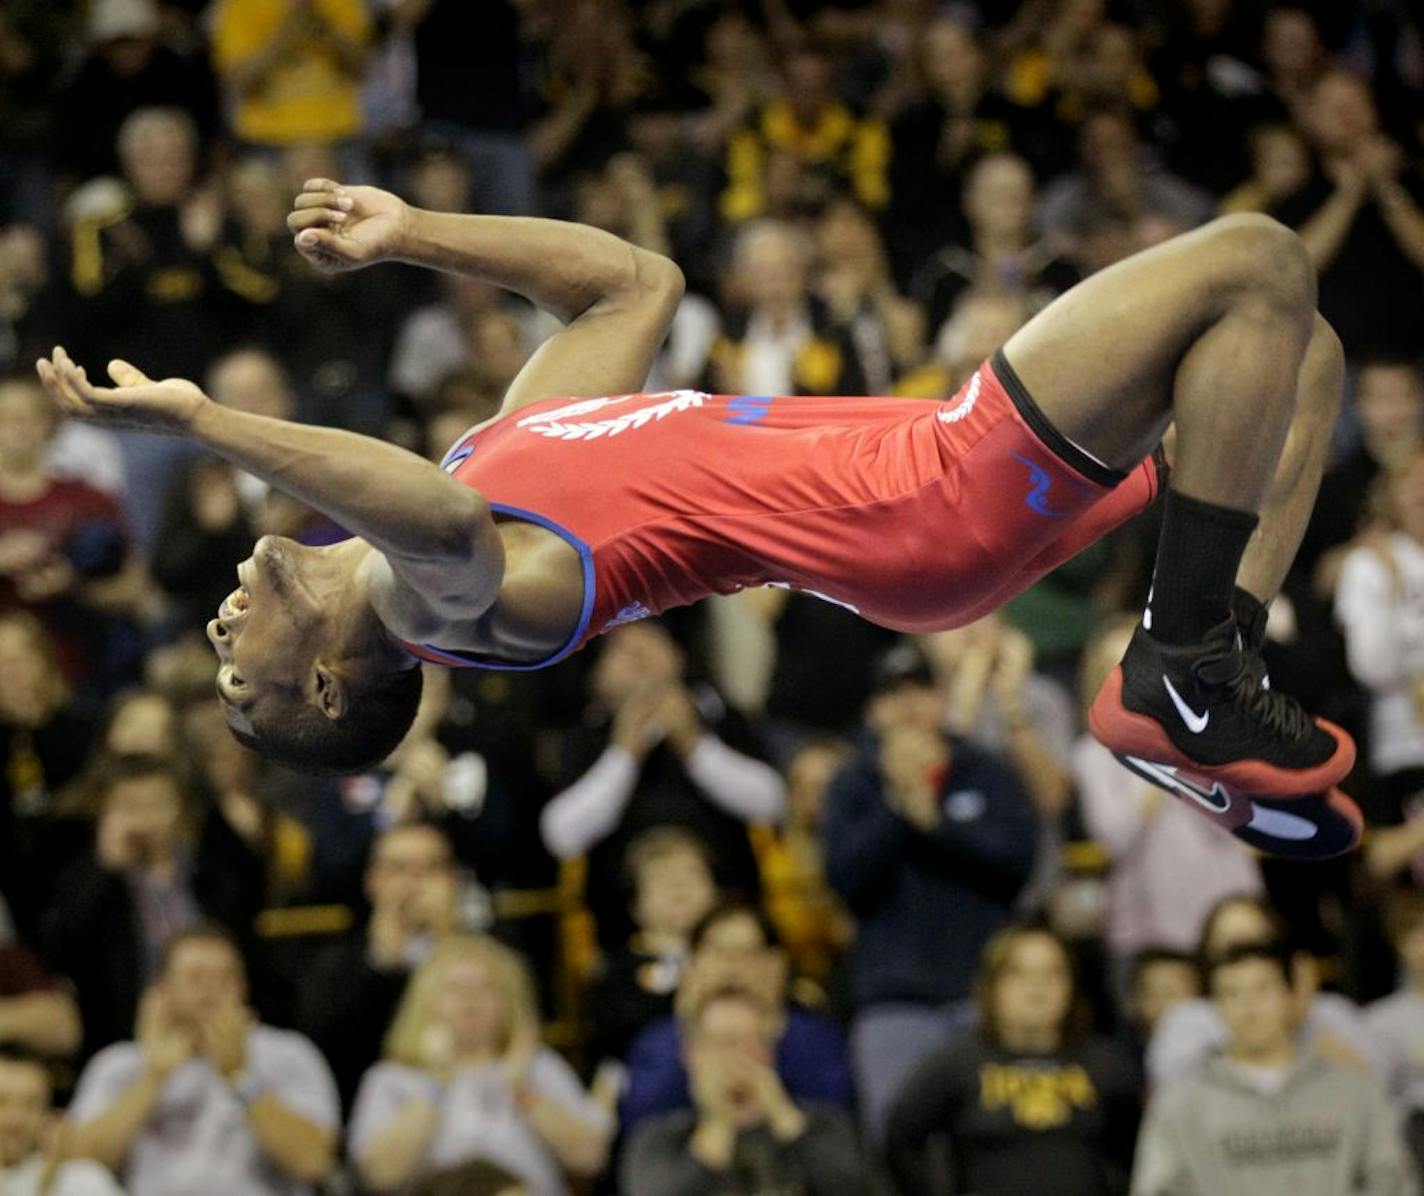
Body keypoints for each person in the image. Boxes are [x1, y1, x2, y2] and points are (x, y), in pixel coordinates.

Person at [35, 176, 1362, 861]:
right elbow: (430, 513)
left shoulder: (497, 448)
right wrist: (204, 423)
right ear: (326, 683)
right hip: (929, 497)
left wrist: (415, 231)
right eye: (238, 673)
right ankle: (1189, 658)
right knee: (1254, 260)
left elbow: (630, 286)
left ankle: (1177, 683)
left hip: (922, 487)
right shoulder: (447, 609)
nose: (216, 626)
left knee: (1295, 358)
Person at [822, 640, 1039, 1142]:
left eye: (921, 691)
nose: (909, 707)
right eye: (893, 695)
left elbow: (1017, 864)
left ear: (942, 699)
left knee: (1002, 1142)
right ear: (872, 710)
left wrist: (935, 825)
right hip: (895, 1004)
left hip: (982, 998)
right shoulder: (852, 783)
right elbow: (844, 879)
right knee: (902, 1144)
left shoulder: (984, 770)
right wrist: (899, 809)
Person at [65, 924, 339, 1195]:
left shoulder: (289, 1054)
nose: (211, 991)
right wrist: (153, 1078)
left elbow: (314, 1163)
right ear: (162, 989)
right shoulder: (119, 1063)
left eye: (224, 978)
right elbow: (78, 1165)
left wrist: (241, 1076)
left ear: (244, 987)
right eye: (195, 978)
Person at [1131, 940, 1411, 1196]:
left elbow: (1392, 1180)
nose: (1249, 1007)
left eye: (1262, 989)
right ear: (1216, 1008)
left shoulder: (1353, 1089)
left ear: (1291, 998)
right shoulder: (1180, 1103)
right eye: (1232, 994)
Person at [884, 925, 1141, 1196]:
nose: (1036, 987)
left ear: (1072, 986)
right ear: (992, 985)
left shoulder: (1107, 1065)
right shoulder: (956, 1063)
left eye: (1052, 973)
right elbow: (901, 1141)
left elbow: (1136, 1151)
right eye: (1019, 973)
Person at [347, 934, 611, 1195]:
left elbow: (590, 1159)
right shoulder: (392, 1077)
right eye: (454, 988)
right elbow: (380, 1177)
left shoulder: (537, 1066)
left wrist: (521, 1090)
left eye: (486, 987)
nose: (470, 999)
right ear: (426, 1001)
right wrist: (435, 1084)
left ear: (509, 1000)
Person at [619, 900, 853, 1134]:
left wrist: (766, 1040)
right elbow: (638, 1125)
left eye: (746, 953)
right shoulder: (659, 1041)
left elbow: (836, 1118)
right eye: (718, 952)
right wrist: (691, 1033)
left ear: (775, 964)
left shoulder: (814, 1037)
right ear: (693, 964)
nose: (731, 968)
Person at [622, 985, 866, 1196]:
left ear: (770, 1052)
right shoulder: (657, 1140)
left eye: (749, 1042)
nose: (735, 1058)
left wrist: (784, 1117)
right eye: (721, 1043)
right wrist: (717, 1124)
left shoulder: (825, 1126)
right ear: (690, 1056)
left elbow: (858, 1189)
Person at [295, 821, 460, 1110]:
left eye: (432, 868)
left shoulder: (490, 950)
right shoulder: (337, 962)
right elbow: (326, 1049)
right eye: (399, 869)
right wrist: (383, 965)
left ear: (454, 880)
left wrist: (451, 946)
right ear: (372, 881)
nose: (416, 882)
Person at [0, 1046, 125, 1196]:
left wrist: (47, 1185)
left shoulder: (84, 1181)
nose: (16, 1119)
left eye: (30, 1105)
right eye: (2, 1102)